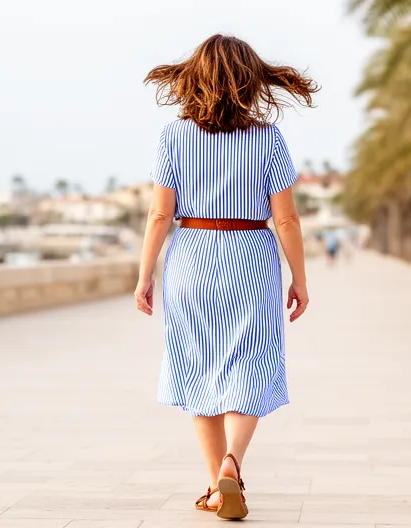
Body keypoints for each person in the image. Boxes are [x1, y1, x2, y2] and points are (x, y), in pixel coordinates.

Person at [133, 34, 316, 521]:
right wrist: (299, 278)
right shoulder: (268, 138)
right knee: (250, 364)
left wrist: (145, 274)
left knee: (198, 369)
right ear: (250, 82)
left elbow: (158, 215)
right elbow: (288, 220)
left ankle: (217, 486)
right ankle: (232, 466)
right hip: (251, 257)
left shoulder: (173, 136)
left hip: (190, 260)